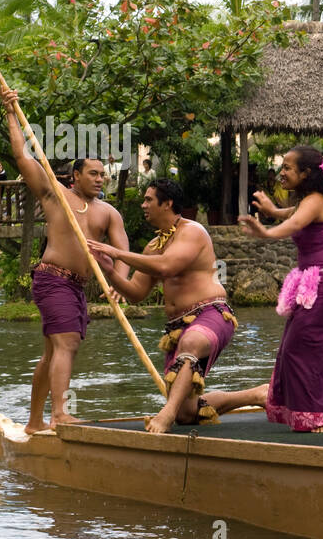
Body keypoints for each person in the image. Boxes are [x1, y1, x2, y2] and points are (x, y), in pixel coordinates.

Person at [0, 86, 130, 434]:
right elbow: (23, 158)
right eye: (93, 174)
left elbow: (123, 252)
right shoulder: (56, 196)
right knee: (67, 342)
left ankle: (33, 422)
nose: (100, 179)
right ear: (76, 176)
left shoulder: (109, 212)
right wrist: (11, 113)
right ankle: (59, 414)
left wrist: (120, 283)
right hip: (52, 277)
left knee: (53, 351)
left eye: (103, 174)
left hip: (77, 286)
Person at [232, 146, 323, 432]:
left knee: (305, 347)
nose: (282, 172)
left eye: (288, 168)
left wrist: (267, 232)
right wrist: (271, 211)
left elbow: (295, 221)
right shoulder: (310, 199)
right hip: (318, 280)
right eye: (282, 167)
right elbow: (292, 213)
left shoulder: (316, 200)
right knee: (309, 347)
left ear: (306, 174)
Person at [88, 179, 237, 435]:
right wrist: (111, 272)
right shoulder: (154, 246)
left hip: (210, 314)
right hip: (177, 328)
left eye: (148, 199)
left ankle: (165, 414)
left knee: (191, 345)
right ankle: (256, 395)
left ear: (167, 203)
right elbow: (136, 292)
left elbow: (168, 266)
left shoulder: (192, 231)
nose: (143, 204)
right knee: (187, 413)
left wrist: (118, 253)